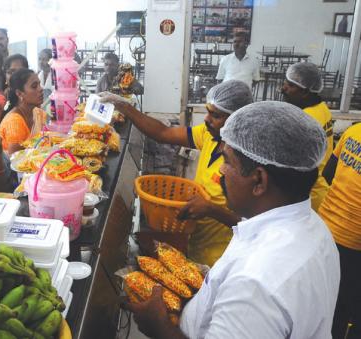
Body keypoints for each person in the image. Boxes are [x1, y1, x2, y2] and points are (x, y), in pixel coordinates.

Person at [124, 101, 339, 339]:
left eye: (227, 162)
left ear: (259, 181)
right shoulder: (315, 227)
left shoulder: (254, 284)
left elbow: (253, 293)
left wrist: (160, 329)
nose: (222, 172)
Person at [100, 80, 252, 266]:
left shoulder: (245, 162)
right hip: (196, 246)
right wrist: (124, 107)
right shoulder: (210, 136)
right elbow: (164, 133)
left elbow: (254, 226)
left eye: (216, 115)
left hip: (223, 258)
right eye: (208, 111)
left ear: (237, 118)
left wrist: (212, 210)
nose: (206, 119)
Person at [319, 122, 361, 339]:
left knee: (318, 298)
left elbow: (328, 173)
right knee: (341, 309)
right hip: (353, 242)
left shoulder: (353, 132)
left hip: (324, 227)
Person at [282, 62, 333, 212]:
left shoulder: (305, 120)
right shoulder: (322, 108)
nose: (283, 88)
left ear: (304, 92)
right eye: (285, 81)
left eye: (290, 85)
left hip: (308, 195)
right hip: (321, 189)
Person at [0, 68, 45, 155]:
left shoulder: (38, 112)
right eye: (34, 86)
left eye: (39, 84)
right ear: (19, 93)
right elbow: (16, 160)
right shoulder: (14, 121)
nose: (41, 89)